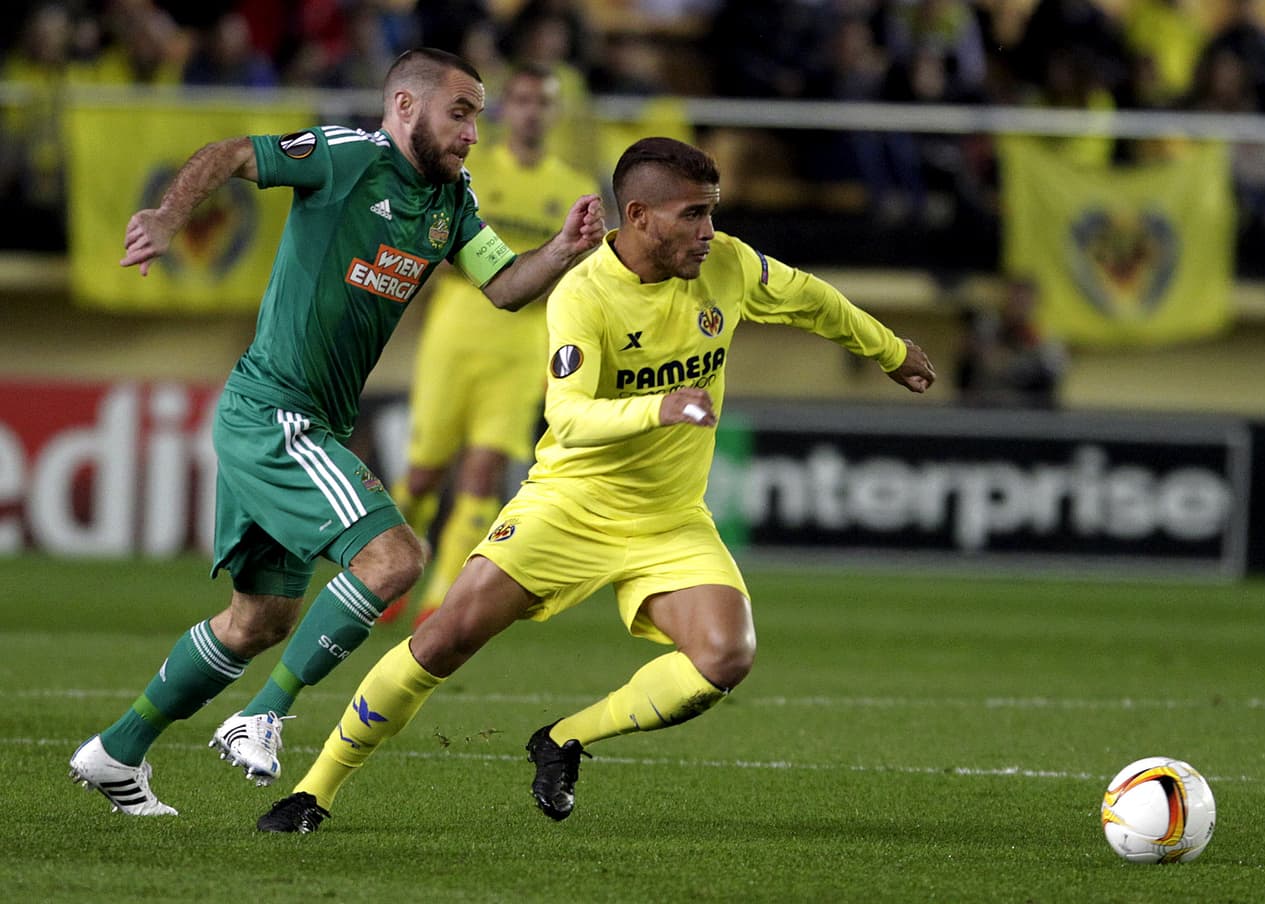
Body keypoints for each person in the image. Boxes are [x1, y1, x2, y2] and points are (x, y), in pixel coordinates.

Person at [255, 136, 936, 833]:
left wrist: (889, 351)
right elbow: (569, 417)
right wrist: (660, 407)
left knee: (724, 657)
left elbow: (812, 300)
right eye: (692, 215)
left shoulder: (728, 265)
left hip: (669, 517)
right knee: (447, 637)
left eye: (713, 213)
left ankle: (564, 738)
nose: (709, 232)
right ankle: (315, 789)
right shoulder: (583, 293)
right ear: (638, 216)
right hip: (570, 504)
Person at [67, 47, 605, 816]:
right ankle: (264, 715)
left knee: (259, 622)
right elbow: (228, 154)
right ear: (407, 108)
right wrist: (167, 214)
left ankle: (114, 752)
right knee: (394, 560)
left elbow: (501, 285)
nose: (473, 133)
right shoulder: (345, 157)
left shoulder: (451, 202)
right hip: (273, 410)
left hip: (309, 419)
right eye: (461, 112)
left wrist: (561, 250)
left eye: (478, 117)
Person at [382, 62, 598, 628]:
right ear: (506, 109)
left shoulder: (573, 189)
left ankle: (440, 604)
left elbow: (583, 274)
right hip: (455, 333)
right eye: (522, 100)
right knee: (425, 473)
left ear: (555, 113)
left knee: (482, 475)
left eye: (543, 102)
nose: (532, 111)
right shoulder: (467, 173)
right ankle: (390, 573)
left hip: (524, 344)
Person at [954, 276, 1068, 409]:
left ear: (1034, 304)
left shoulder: (1045, 340)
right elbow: (967, 367)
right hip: (985, 408)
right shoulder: (987, 329)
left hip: (1027, 412)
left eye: (1024, 301)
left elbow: (1052, 376)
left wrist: (1013, 363)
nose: (1018, 307)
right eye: (1014, 299)